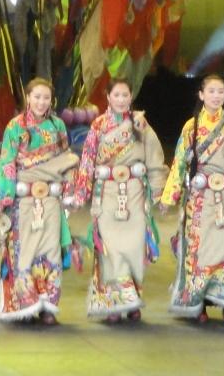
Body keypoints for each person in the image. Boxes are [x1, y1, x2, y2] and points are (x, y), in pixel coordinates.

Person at [159, 74, 224, 322]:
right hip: (200, 199)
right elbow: (180, 163)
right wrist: (169, 196)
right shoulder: (191, 127)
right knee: (200, 251)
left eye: (220, 91)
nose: (216, 96)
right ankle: (198, 302)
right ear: (201, 95)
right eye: (211, 91)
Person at [70, 77, 167, 322]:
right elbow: (87, 161)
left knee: (133, 247)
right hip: (108, 193)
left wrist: (159, 192)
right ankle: (114, 300)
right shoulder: (98, 126)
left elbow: (154, 158)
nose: (121, 100)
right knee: (110, 247)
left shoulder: (140, 124)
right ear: (108, 97)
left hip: (134, 192)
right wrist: (80, 194)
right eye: (117, 95)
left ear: (131, 97)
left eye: (125, 95)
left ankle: (132, 297)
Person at [0, 76, 79, 324]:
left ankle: (48, 306)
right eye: (37, 97)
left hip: (50, 198)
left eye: (46, 98)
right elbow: (7, 162)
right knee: (24, 251)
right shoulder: (15, 126)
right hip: (23, 200)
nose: (42, 102)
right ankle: (25, 304)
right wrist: (6, 195)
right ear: (28, 98)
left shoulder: (58, 125)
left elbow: (66, 159)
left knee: (50, 249)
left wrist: (69, 190)